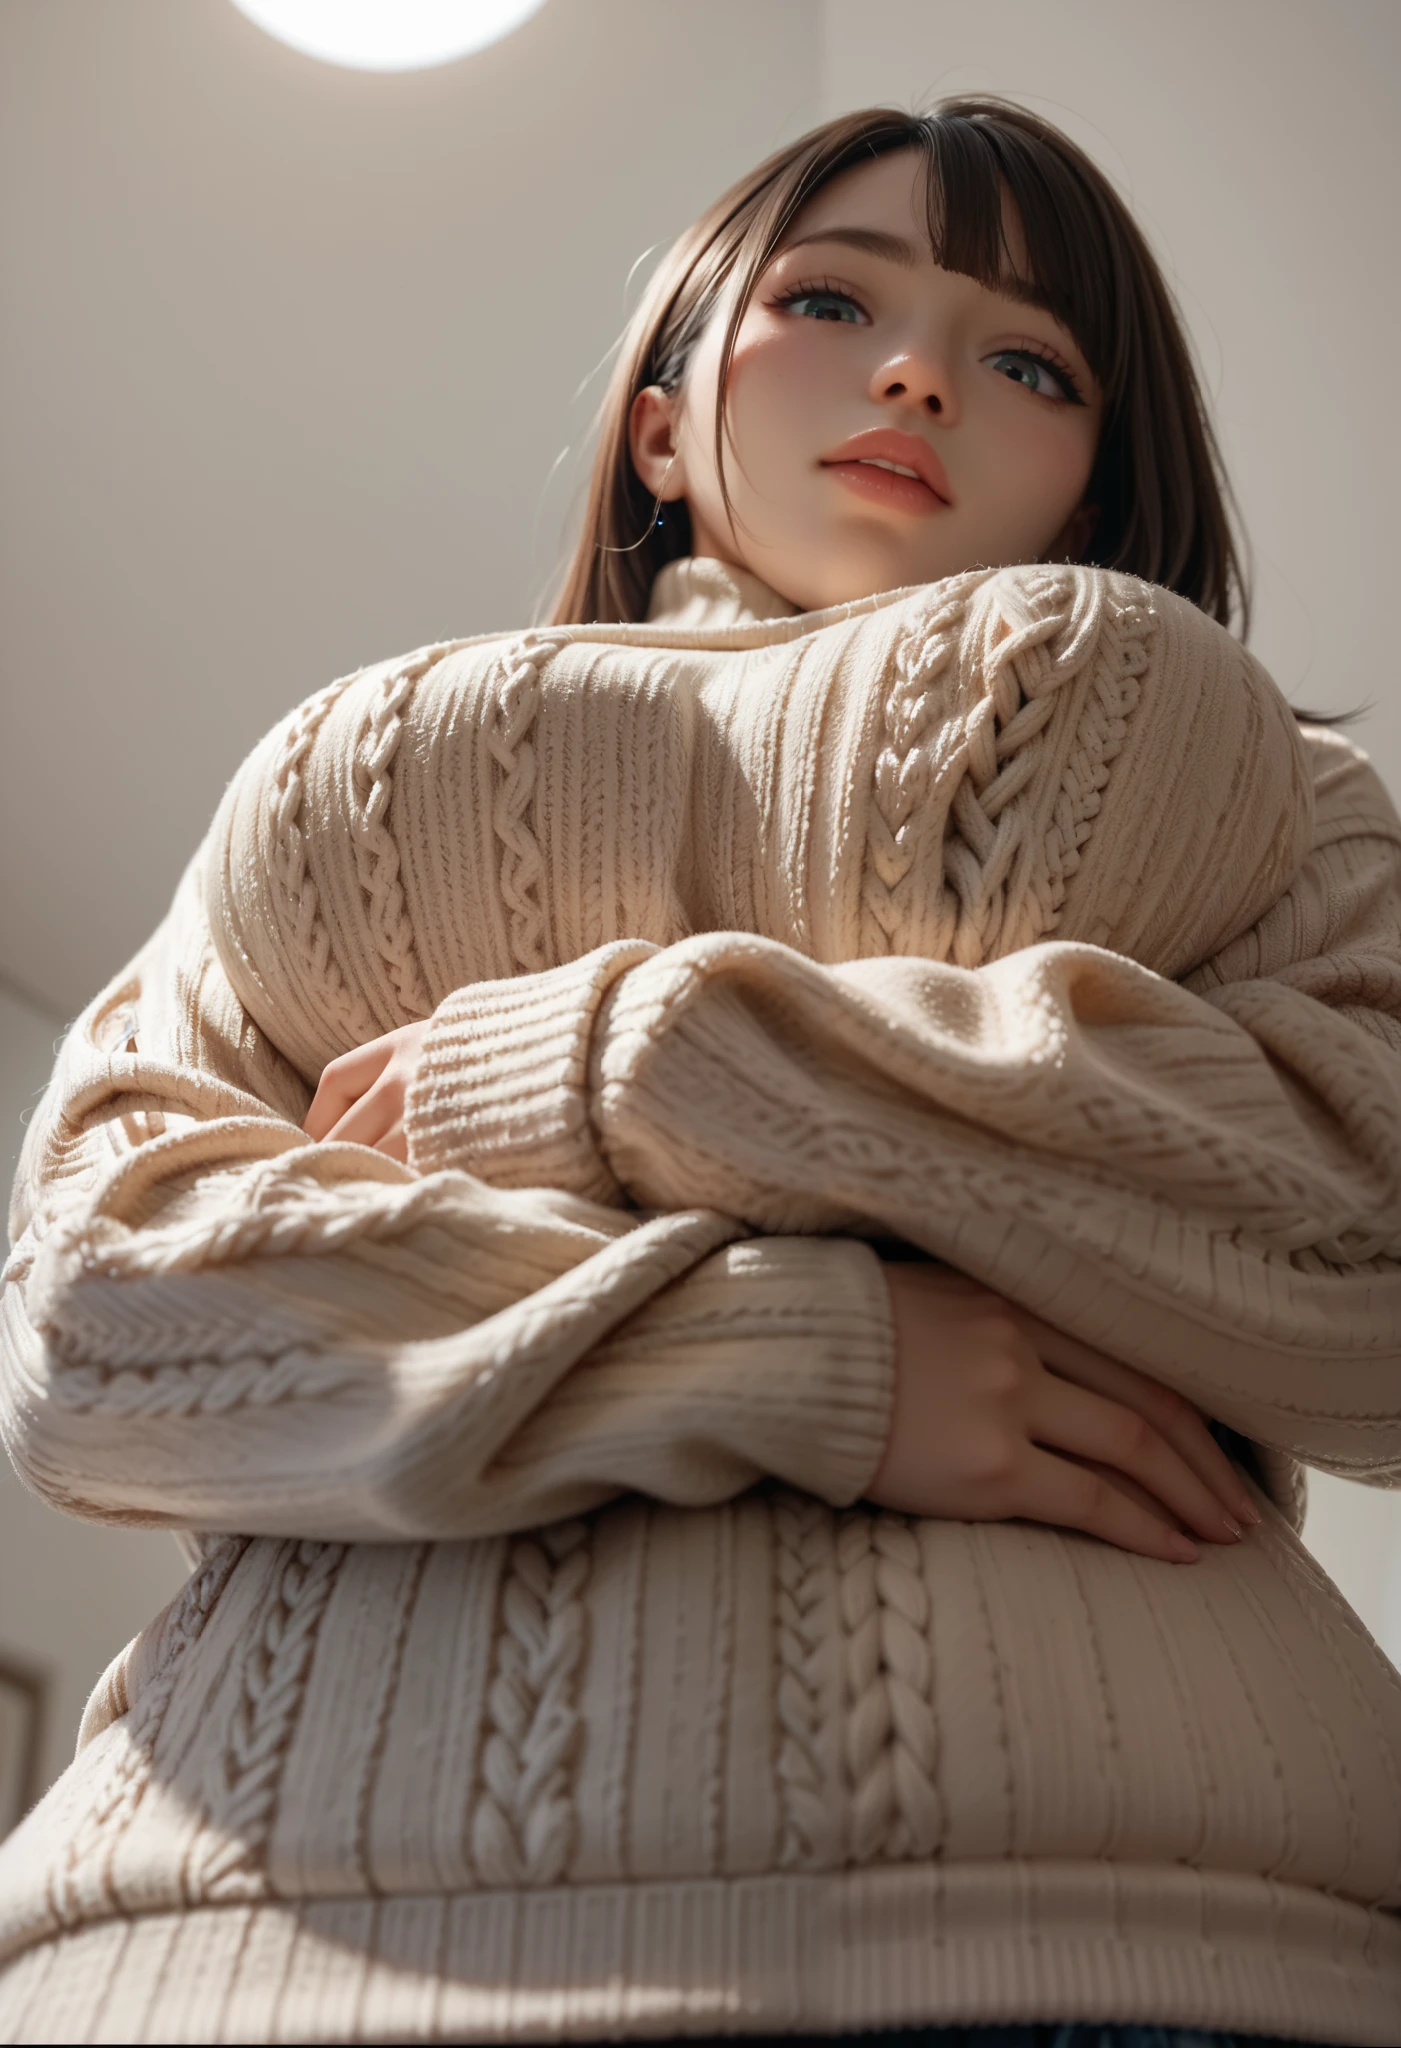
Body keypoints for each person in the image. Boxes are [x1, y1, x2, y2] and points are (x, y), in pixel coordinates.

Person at [0, 98, 1397, 2048]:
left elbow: (1368, 1249)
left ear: (1086, 489)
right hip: (251, 1947)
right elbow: (99, 1321)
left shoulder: (1282, 801)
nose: (915, 370)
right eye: (831, 299)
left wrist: (621, 1061)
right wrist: (817, 1360)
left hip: (1126, 1940)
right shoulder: (356, 785)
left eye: (1024, 359)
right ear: (660, 420)